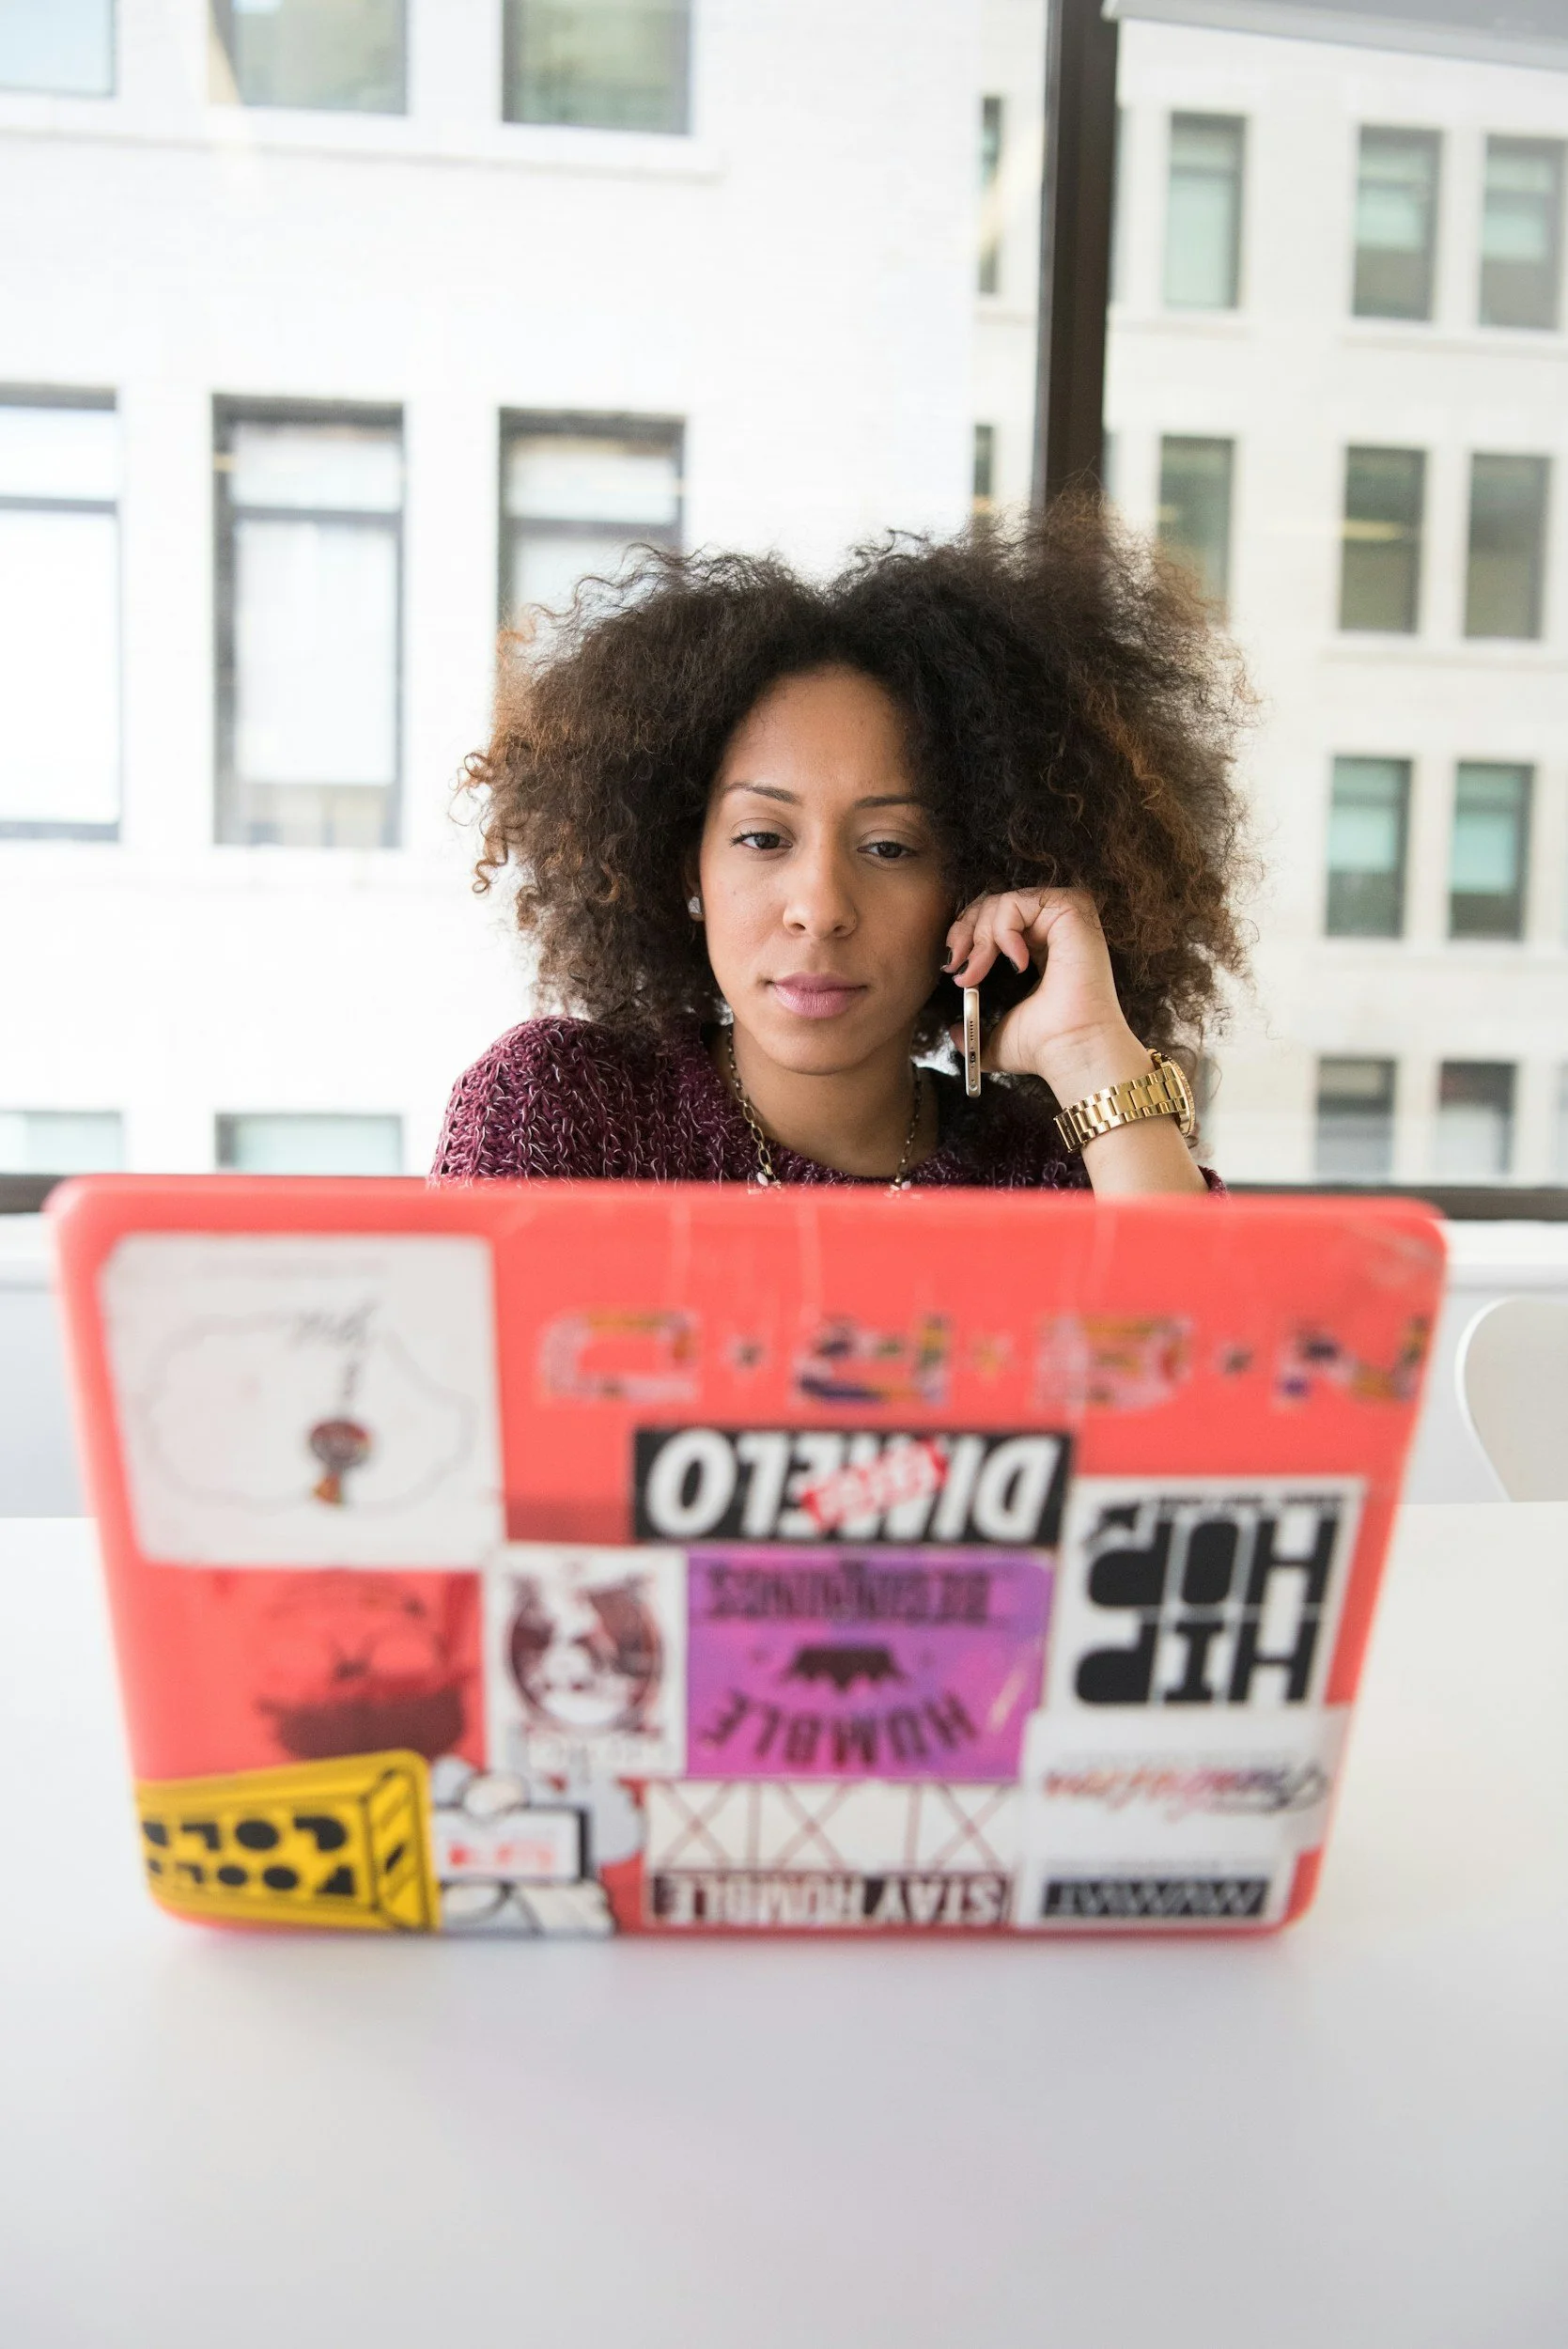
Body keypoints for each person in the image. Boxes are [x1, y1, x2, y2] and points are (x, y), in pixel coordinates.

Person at [433, 502, 1249, 1195]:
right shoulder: (561, 1106)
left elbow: (1210, 1330)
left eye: (889, 847)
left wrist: (1089, 1054)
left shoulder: (1059, 1172)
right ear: (688, 866)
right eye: (762, 838)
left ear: (972, 886)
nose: (819, 909)